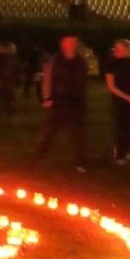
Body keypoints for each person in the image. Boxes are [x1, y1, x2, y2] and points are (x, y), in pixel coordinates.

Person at [35, 34, 88, 172]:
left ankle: (80, 162)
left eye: (70, 43)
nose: (67, 46)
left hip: (76, 101)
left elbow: (82, 81)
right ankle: (40, 156)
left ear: (75, 45)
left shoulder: (81, 61)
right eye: (65, 43)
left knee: (78, 134)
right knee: (50, 131)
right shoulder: (54, 60)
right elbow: (47, 79)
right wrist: (47, 98)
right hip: (58, 101)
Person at [0, 41, 19, 123]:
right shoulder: (8, 60)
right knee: (7, 100)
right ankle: (6, 116)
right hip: (5, 84)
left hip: (2, 83)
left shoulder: (0, 59)